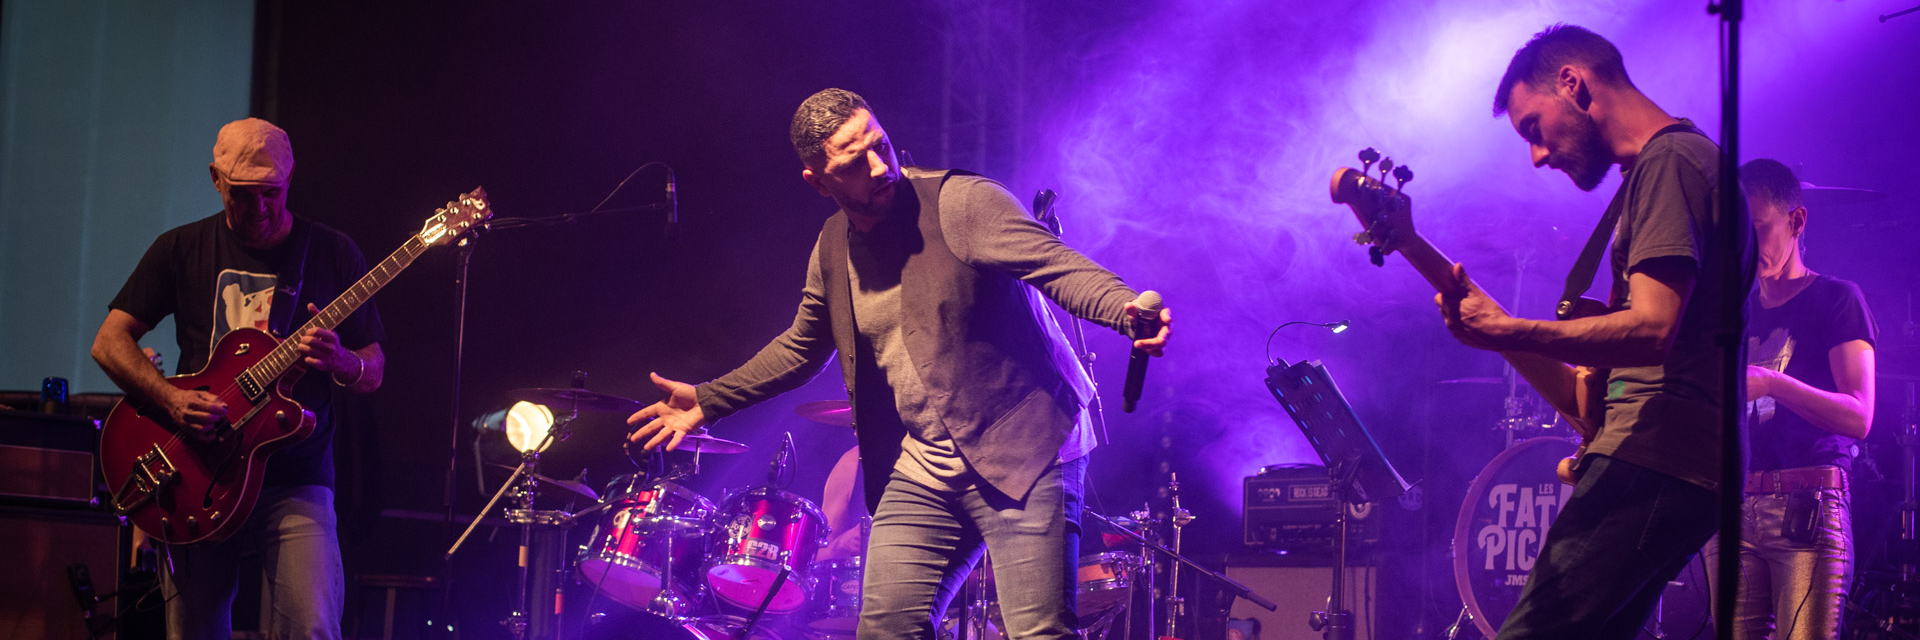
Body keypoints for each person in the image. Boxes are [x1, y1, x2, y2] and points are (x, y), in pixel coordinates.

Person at [625, 88, 1170, 640]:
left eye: (881, 145)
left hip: (1026, 445)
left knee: (1038, 632)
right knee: (886, 630)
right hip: (927, 464)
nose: (881, 166)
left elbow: (1057, 266)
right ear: (818, 180)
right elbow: (802, 347)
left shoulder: (961, 203)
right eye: (855, 162)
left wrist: (1124, 312)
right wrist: (711, 398)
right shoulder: (833, 247)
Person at [1377, 25, 1752, 638]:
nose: (1537, 155)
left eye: (1533, 128)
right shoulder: (1660, 174)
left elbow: (1653, 328)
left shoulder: (1673, 162)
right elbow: (1587, 399)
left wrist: (1511, 326)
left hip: (1654, 457)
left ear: (1573, 84)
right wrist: (1496, 332)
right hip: (1667, 459)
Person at [91, 117, 386, 640]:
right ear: (215, 178)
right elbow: (109, 341)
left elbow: (373, 370)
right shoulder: (181, 248)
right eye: (243, 195)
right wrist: (172, 402)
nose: (259, 209)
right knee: (195, 631)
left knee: (313, 627)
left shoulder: (334, 253)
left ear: (290, 181)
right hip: (197, 473)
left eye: (271, 193)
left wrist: (342, 362)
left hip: (297, 477)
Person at [1704, 159, 1875, 640]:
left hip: (1806, 509)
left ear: (1796, 222)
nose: (1744, 245)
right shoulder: (1728, 312)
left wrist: (1774, 383)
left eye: (1758, 229)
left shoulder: (1838, 299)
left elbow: (1860, 415)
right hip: (1733, 510)